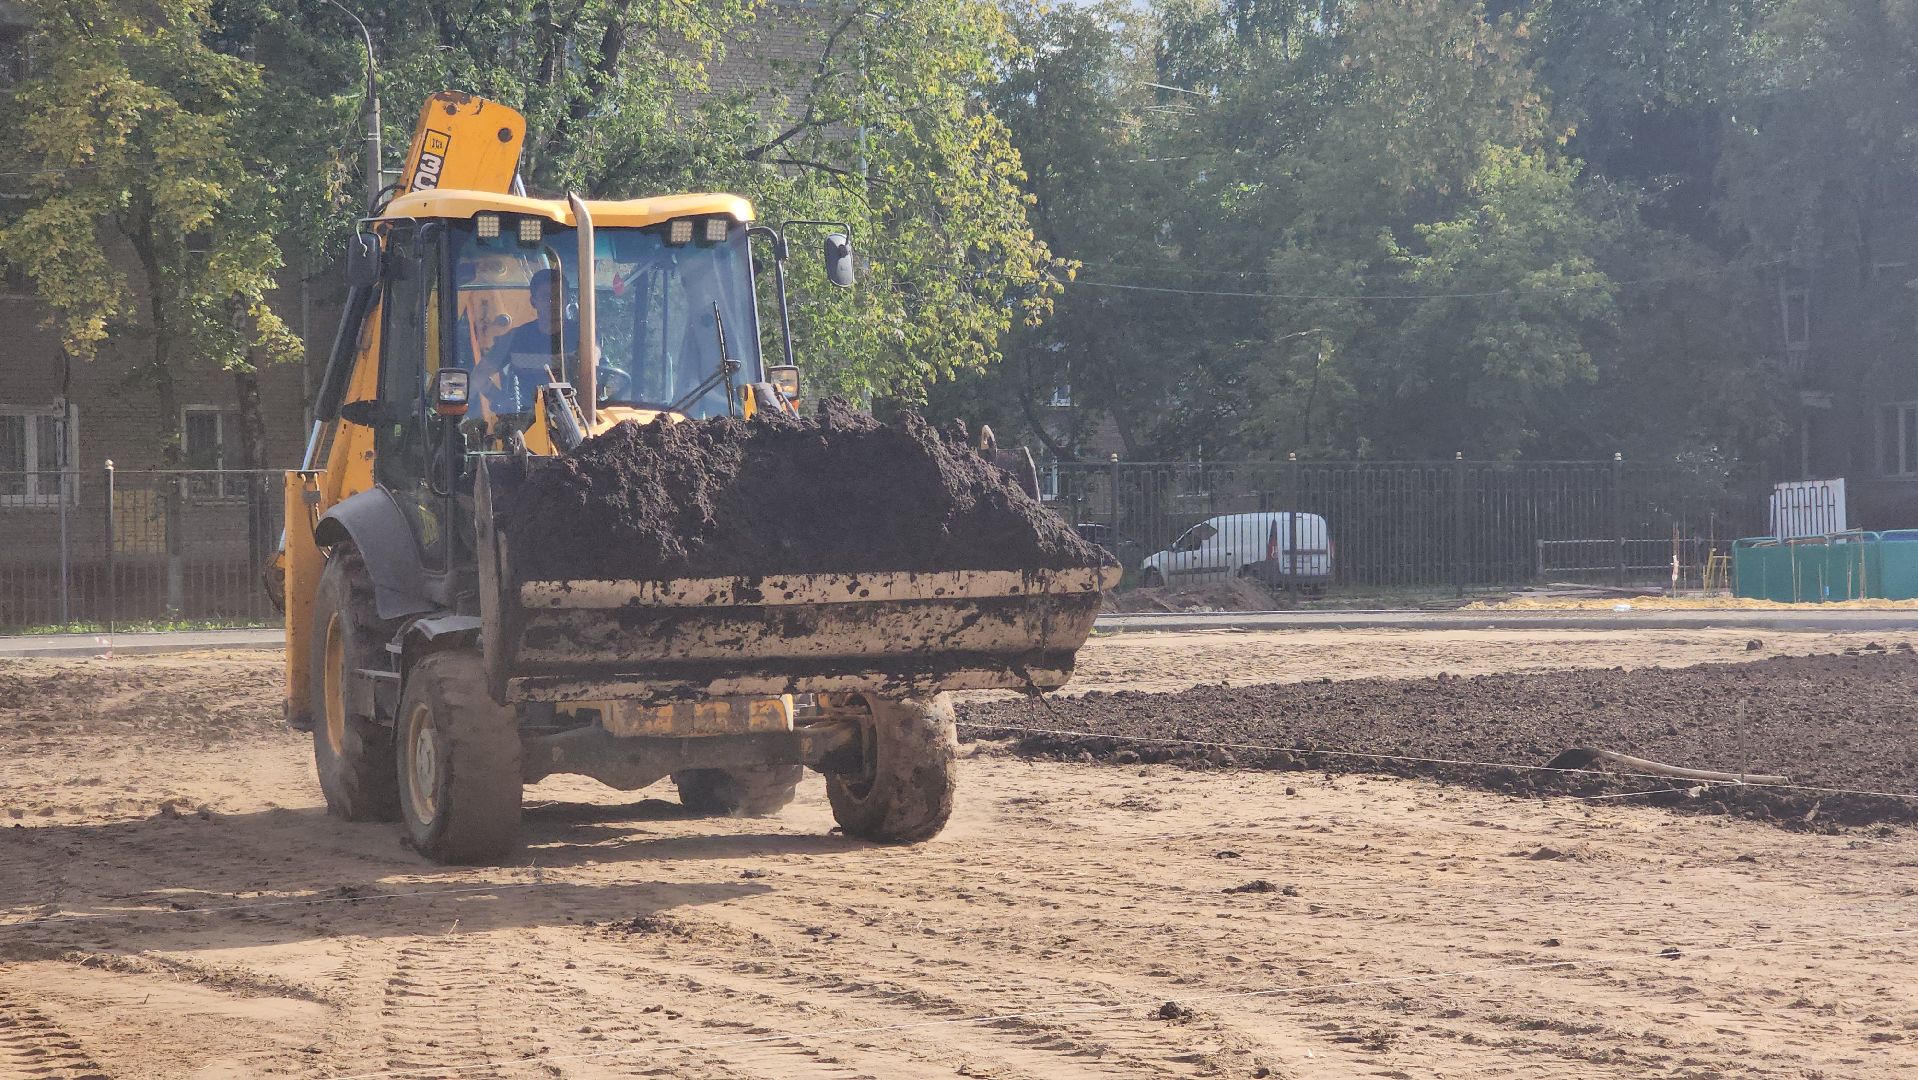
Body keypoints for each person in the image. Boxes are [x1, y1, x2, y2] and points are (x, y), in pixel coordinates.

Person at [477, 267, 576, 416]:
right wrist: (503, 400)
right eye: (545, 297)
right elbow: (479, 375)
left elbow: (594, 365)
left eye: (558, 297)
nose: (553, 303)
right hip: (529, 421)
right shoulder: (515, 338)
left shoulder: (583, 336)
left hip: (577, 416)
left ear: (567, 299)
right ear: (533, 301)